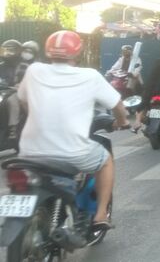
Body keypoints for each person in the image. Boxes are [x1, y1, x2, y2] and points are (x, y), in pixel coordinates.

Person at [17, 30, 134, 230]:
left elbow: (24, 101)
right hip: (72, 152)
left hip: (30, 151)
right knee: (105, 161)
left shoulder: (33, 70)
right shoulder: (90, 76)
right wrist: (122, 121)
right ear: (78, 52)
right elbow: (118, 105)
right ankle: (100, 215)